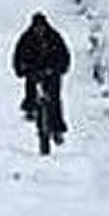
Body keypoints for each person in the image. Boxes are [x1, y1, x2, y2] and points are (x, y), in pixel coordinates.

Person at [12, 12, 71, 144]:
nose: (39, 30)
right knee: (31, 87)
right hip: (34, 71)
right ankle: (30, 107)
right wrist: (21, 69)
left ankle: (57, 129)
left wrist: (59, 68)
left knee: (54, 99)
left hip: (51, 72)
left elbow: (64, 55)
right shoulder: (26, 39)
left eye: (41, 27)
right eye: (36, 28)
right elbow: (18, 56)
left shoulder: (54, 37)